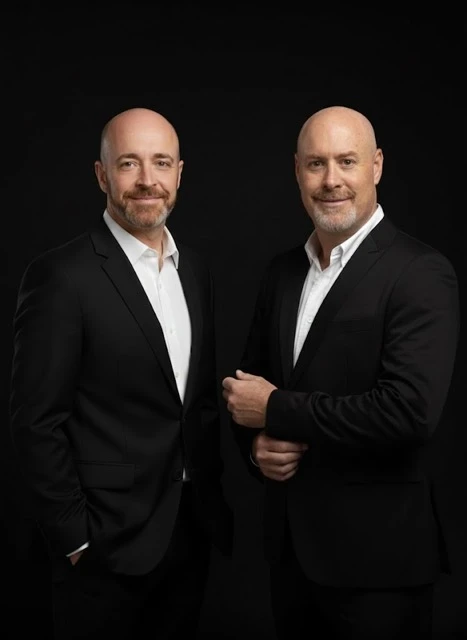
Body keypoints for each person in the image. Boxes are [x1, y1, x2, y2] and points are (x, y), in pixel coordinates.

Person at [222, 105, 460, 639]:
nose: (331, 180)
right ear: (297, 172)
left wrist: (277, 409)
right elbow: (245, 391)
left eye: (347, 161)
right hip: (291, 557)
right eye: (316, 164)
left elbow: (409, 413)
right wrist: (257, 448)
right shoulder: (282, 273)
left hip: (380, 567)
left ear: (376, 166)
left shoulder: (420, 272)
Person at [9, 107, 233, 640]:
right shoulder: (61, 276)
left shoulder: (194, 270)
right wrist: (75, 539)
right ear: (102, 174)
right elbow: (35, 421)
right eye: (129, 163)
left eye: (161, 162)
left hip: (189, 533)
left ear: (180, 172)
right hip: (103, 549)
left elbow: (192, 404)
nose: (147, 179)